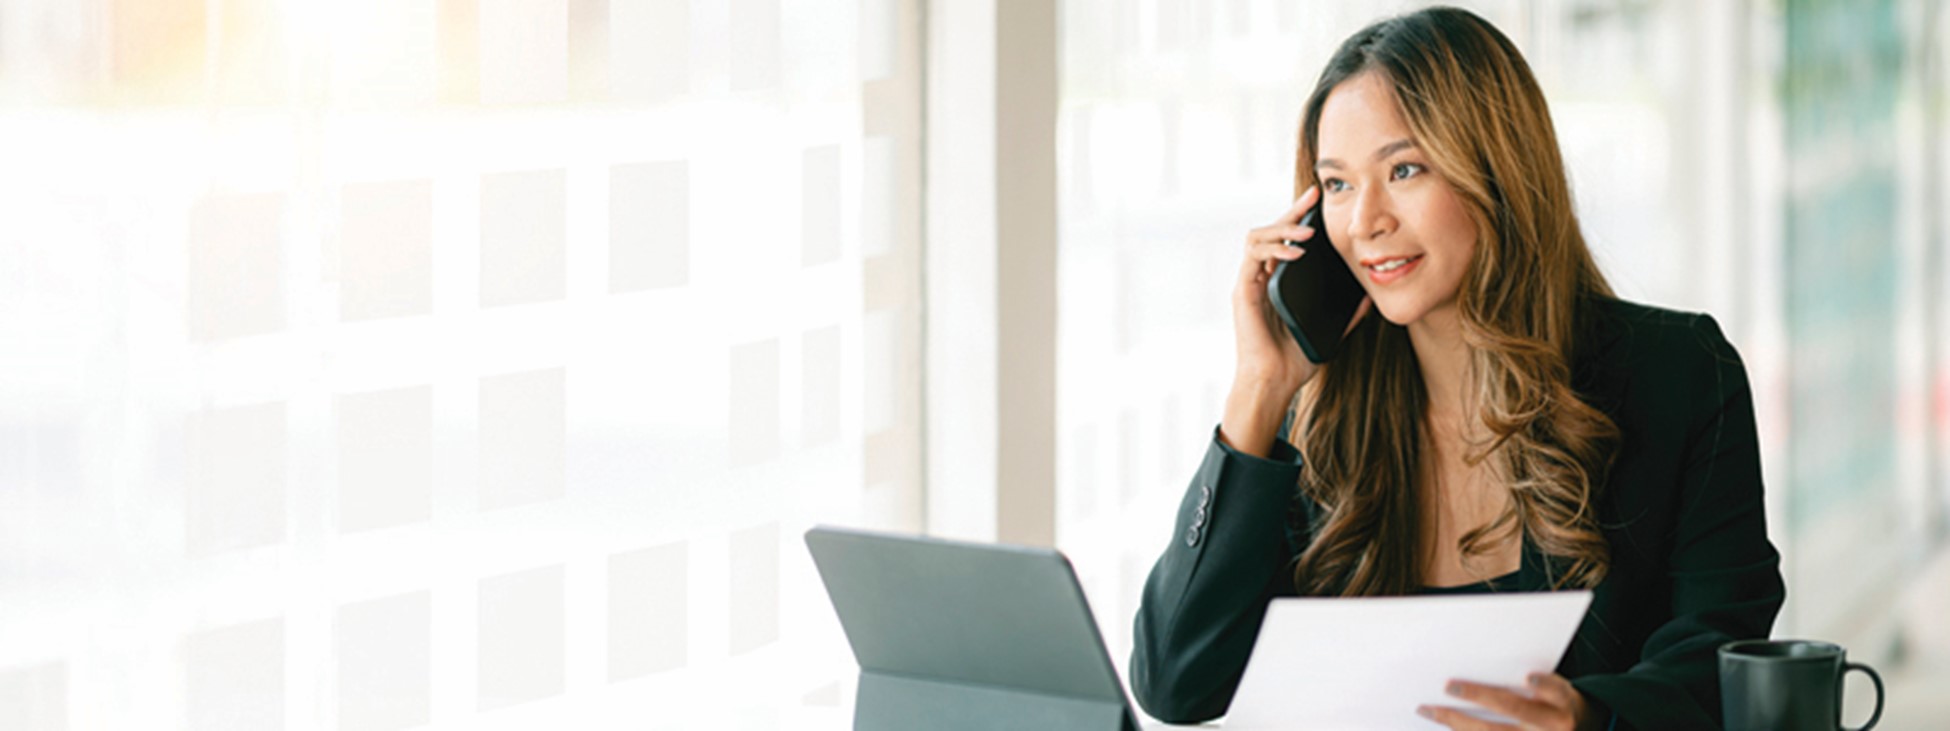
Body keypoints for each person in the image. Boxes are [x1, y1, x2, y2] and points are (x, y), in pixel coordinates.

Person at [1127, 7, 1785, 731]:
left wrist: (1592, 717)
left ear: (1496, 171)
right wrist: (1259, 388)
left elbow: (1730, 655)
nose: (1364, 221)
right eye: (1337, 185)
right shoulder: (1312, 416)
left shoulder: (1678, 373)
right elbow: (1175, 684)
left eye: (1404, 169)